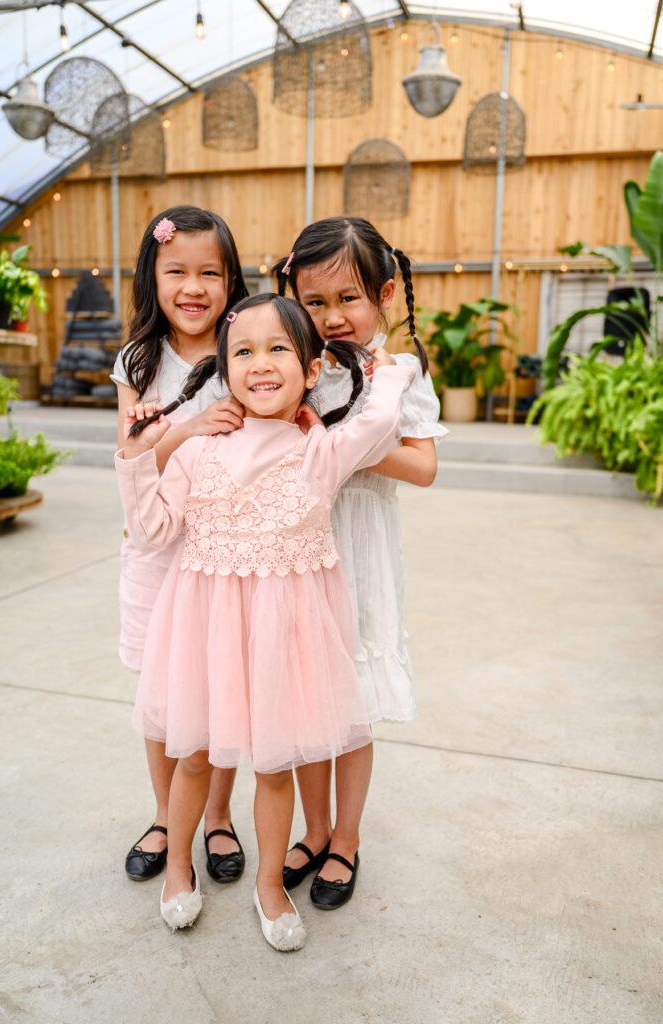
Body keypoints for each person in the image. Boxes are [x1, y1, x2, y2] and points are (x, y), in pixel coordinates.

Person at [115, 293, 415, 950]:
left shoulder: (322, 449)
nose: (260, 363)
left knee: (275, 767)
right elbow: (151, 529)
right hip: (205, 634)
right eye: (243, 351)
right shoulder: (198, 452)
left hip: (286, 638)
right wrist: (137, 458)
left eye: (278, 348)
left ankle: (271, 884)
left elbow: (384, 415)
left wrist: (393, 368)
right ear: (225, 372)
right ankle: (179, 866)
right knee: (192, 760)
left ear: (311, 369)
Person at [274, 216, 448, 909]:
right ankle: (312, 829)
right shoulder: (297, 364)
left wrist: (353, 438)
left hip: (363, 548)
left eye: (347, 298)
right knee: (306, 699)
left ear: (384, 295)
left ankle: (346, 837)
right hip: (298, 550)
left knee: (352, 708)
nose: (332, 316)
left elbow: (425, 467)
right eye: (314, 303)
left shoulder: (397, 374)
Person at [111, 206, 248, 885]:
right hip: (155, 552)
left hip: (221, 552)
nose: (193, 288)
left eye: (209, 273)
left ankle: (217, 814)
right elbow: (129, 449)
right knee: (161, 698)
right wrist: (190, 431)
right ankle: (168, 815)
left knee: (217, 687)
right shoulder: (138, 359)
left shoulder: (242, 354)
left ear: (231, 282)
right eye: (177, 272)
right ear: (153, 276)